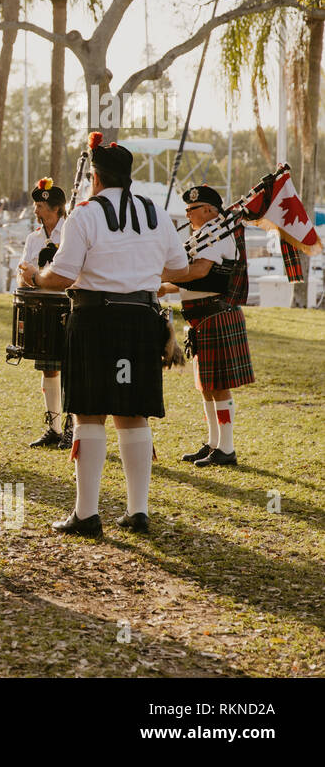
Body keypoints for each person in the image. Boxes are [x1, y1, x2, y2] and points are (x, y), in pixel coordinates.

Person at [22, 135, 190, 536]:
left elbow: (60, 276)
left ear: (95, 177)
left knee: (89, 413)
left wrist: (35, 276)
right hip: (142, 318)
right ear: (126, 175)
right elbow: (179, 269)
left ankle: (86, 514)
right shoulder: (155, 212)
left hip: (95, 319)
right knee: (133, 413)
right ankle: (138, 511)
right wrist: (139, 267)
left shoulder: (84, 215)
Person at [159, 184, 253, 467]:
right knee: (207, 386)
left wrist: (158, 271)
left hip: (216, 315)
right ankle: (213, 443)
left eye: (192, 209)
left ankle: (227, 447)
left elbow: (200, 271)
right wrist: (167, 286)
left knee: (220, 385)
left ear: (210, 210)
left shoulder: (219, 235)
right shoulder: (204, 235)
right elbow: (196, 280)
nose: (187, 213)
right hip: (201, 317)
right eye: (187, 209)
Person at [19, 178, 71, 449]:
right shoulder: (34, 238)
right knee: (48, 369)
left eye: (40, 206)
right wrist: (29, 277)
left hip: (69, 305)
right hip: (43, 307)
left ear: (56, 208)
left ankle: (73, 428)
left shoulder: (72, 232)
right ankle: (53, 428)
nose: (36, 211)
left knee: (71, 367)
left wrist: (36, 275)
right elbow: (23, 273)